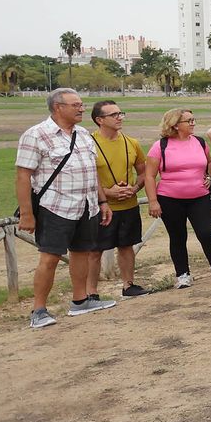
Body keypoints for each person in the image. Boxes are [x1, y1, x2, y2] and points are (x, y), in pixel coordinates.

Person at [16, 89, 115, 329]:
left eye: (81, 104)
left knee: (81, 252)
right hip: (55, 207)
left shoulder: (83, 134)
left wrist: (102, 201)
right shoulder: (36, 135)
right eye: (75, 105)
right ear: (58, 107)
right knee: (49, 258)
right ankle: (38, 310)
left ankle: (80, 301)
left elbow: (92, 172)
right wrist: (27, 213)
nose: (82, 109)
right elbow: (22, 176)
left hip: (86, 205)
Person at [143, 108, 211, 289]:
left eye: (193, 119)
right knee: (177, 236)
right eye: (188, 121)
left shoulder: (199, 142)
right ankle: (183, 275)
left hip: (200, 197)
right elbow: (149, 176)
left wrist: (209, 177)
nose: (193, 123)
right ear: (175, 125)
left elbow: (210, 162)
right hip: (169, 199)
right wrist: (152, 201)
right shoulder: (160, 146)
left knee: (206, 233)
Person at [90, 99, 148, 298]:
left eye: (120, 113)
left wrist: (134, 189)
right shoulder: (88, 143)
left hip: (128, 205)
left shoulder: (132, 143)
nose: (119, 117)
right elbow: (85, 178)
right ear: (99, 120)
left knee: (127, 246)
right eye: (113, 115)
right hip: (100, 207)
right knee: (94, 250)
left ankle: (128, 285)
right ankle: (91, 292)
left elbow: (143, 172)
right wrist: (107, 193)